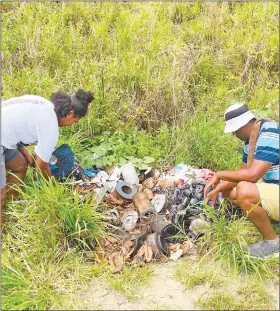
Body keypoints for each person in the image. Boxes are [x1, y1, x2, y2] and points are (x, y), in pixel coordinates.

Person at [1, 89, 94, 228]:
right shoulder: (50, 127)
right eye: (75, 121)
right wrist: (52, 186)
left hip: (5, 136)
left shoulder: (45, 104)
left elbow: (15, 123)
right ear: (70, 114)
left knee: (20, 165)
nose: (71, 125)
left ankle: (11, 206)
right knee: (0, 196)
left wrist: (25, 152)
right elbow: (42, 165)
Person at [204, 103, 279, 258]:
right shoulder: (250, 141)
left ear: (242, 125)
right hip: (273, 187)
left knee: (244, 191)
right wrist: (218, 190)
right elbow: (242, 173)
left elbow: (252, 176)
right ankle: (267, 218)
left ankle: (272, 243)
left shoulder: (270, 131)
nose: (234, 135)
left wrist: (219, 175)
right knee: (228, 192)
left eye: (234, 131)